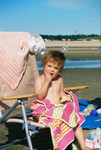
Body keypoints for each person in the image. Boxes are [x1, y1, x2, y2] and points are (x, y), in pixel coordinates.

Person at [30, 51, 92, 150]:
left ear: (60, 70)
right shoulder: (40, 79)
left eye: (55, 68)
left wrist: (65, 96)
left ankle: (83, 145)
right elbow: (40, 96)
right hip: (47, 111)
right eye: (49, 66)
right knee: (64, 120)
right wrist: (47, 81)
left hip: (59, 109)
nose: (52, 70)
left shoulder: (59, 79)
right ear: (43, 65)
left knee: (75, 119)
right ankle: (63, 144)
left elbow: (61, 92)